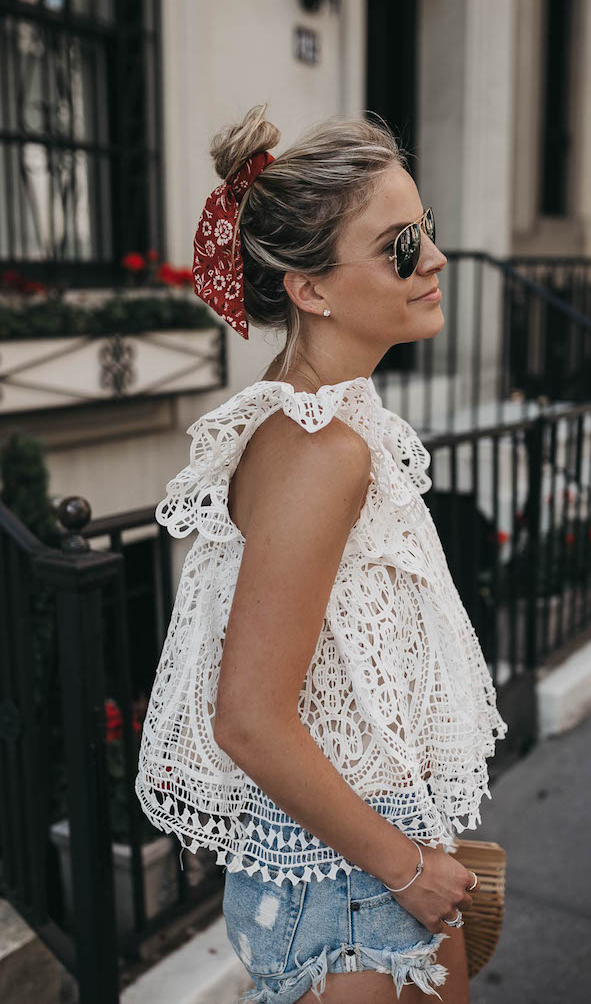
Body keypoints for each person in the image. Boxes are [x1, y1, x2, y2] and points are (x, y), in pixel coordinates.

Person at [135, 102, 508, 1004]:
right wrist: (411, 868)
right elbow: (249, 718)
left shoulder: (314, 415)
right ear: (311, 289)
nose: (435, 260)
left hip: (350, 871)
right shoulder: (318, 449)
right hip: (355, 887)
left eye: (427, 232)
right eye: (399, 246)